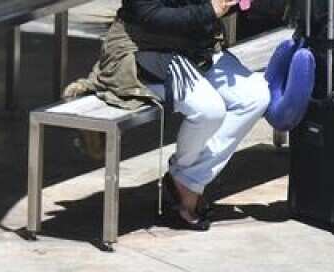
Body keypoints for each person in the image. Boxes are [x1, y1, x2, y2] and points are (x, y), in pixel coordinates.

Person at [68, 0, 271, 230]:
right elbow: (150, 14)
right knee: (209, 109)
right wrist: (209, 10)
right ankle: (187, 189)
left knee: (256, 96)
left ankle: (186, 179)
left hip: (196, 49)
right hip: (145, 50)